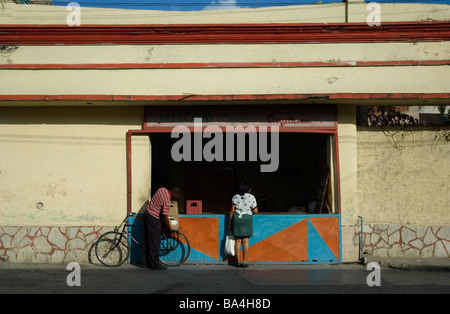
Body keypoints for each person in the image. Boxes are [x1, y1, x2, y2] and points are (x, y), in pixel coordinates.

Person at [142, 186, 181, 270]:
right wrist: (169, 226)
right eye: (177, 196)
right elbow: (165, 215)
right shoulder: (167, 200)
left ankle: (145, 262)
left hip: (146, 214)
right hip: (153, 218)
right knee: (154, 242)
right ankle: (155, 264)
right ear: (175, 194)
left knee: (146, 240)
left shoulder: (161, 189)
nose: (177, 198)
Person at [228, 181, 258, 268]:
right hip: (247, 218)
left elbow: (232, 211)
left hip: (237, 218)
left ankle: (238, 262)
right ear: (248, 190)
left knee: (237, 241)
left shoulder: (235, 197)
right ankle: (244, 262)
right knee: (246, 241)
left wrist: (229, 224)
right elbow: (255, 211)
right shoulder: (251, 197)